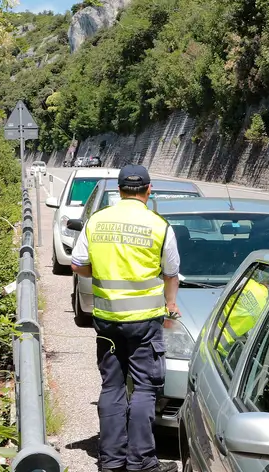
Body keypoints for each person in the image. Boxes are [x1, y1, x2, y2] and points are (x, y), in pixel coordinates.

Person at [70, 164, 180, 472]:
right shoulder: (159, 225)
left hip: (106, 319)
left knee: (112, 387)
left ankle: (111, 461)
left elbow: (78, 265)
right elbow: (171, 272)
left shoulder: (97, 221)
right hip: (144, 322)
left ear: (119, 191)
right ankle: (141, 461)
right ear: (148, 190)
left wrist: (102, 272)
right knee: (145, 388)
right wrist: (171, 302)